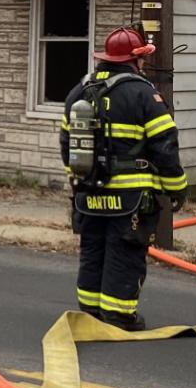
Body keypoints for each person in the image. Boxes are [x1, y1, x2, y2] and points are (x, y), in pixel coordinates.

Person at [59, 26, 187, 331]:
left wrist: (77, 182)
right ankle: (119, 314)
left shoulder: (79, 91)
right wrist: (177, 189)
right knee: (125, 251)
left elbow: (66, 144)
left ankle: (90, 309)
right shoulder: (143, 93)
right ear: (135, 60)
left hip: (87, 191)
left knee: (93, 248)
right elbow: (165, 146)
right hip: (129, 197)